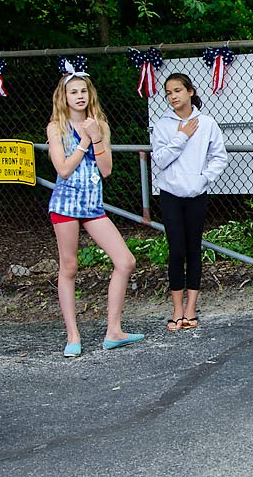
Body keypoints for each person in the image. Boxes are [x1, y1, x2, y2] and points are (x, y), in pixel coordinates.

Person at [47, 70, 144, 356]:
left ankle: (114, 330)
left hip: (92, 205)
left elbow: (106, 170)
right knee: (70, 266)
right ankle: (72, 336)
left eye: (83, 91)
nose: (79, 96)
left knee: (125, 261)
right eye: (73, 92)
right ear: (64, 97)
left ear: (90, 95)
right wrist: (84, 142)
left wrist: (96, 137)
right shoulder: (56, 127)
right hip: (65, 204)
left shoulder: (98, 124)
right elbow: (63, 169)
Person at [151, 73, 229, 331]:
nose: (173, 97)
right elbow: (160, 159)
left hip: (196, 194)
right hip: (171, 194)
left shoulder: (206, 123)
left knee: (194, 249)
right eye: (169, 93)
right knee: (176, 251)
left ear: (190, 92)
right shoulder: (162, 125)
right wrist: (181, 136)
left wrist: (203, 179)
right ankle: (176, 309)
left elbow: (219, 157)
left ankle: (191, 308)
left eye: (177, 91)